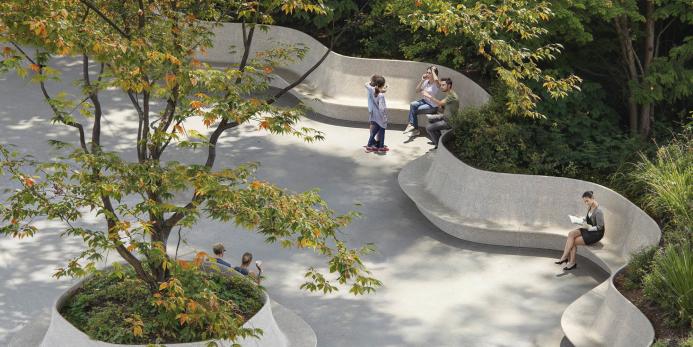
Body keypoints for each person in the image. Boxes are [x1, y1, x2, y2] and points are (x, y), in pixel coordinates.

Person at [555, 191, 605, 270]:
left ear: (592, 198)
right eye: (584, 201)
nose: (586, 203)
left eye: (587, 201)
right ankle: (565, 258)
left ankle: (571, 262)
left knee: (573, 242)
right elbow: (589, 218)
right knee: (571, 234)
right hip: (588, 228)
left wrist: (589, 228)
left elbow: (600, 227)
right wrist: (580, 219)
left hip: (596, 233)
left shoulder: (599, 211)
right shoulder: (590, 207)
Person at [422, 77, 459, 149]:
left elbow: (440, 103)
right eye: (441, 85)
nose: (441, 87)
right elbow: (442, 105)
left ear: (449, 86)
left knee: (429, 128)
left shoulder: (452, 96)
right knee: (430, 119)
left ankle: (439, 146)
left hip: (449, 121)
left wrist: (428, 95)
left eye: (443, 85)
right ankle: (437, 140)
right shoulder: (449, 94)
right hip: (444, 116)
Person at [404, 66, 440, 137]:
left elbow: (436, 79)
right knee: (412, 104)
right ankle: (412, 125)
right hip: (424, 101)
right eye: (427, 72)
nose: (427, 74)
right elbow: (417, 90)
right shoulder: (426, 82)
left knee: (415, 110)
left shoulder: (436, 84)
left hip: (432, 105)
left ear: (433, 74)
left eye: (429, 73)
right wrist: (422, 80)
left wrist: (433, 70)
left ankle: (415, 129)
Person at [365, 76, 389, 153]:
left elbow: (366, 84)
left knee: (373, 132)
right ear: (382, 85)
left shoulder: (372, 90)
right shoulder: (381, 95)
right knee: (382, 132)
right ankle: (381, 148)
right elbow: (382, 109)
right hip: (380, 117)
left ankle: (369, 146)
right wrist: (385, 118)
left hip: (374, 116)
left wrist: (373, 82)